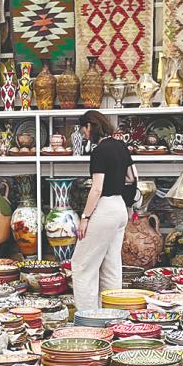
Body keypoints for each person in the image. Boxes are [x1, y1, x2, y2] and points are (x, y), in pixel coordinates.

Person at [71, 110, 135, 310]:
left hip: (105, 208)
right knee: (111, 265)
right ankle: (113, 313)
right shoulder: (121, 146)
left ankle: (87, 316)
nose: (84, 134)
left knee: (82, 264)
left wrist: (85, 217)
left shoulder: (99, 151)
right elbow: (132, 178)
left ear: (90, 126)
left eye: (84, 129)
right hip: (120, 208)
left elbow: (97, 188)